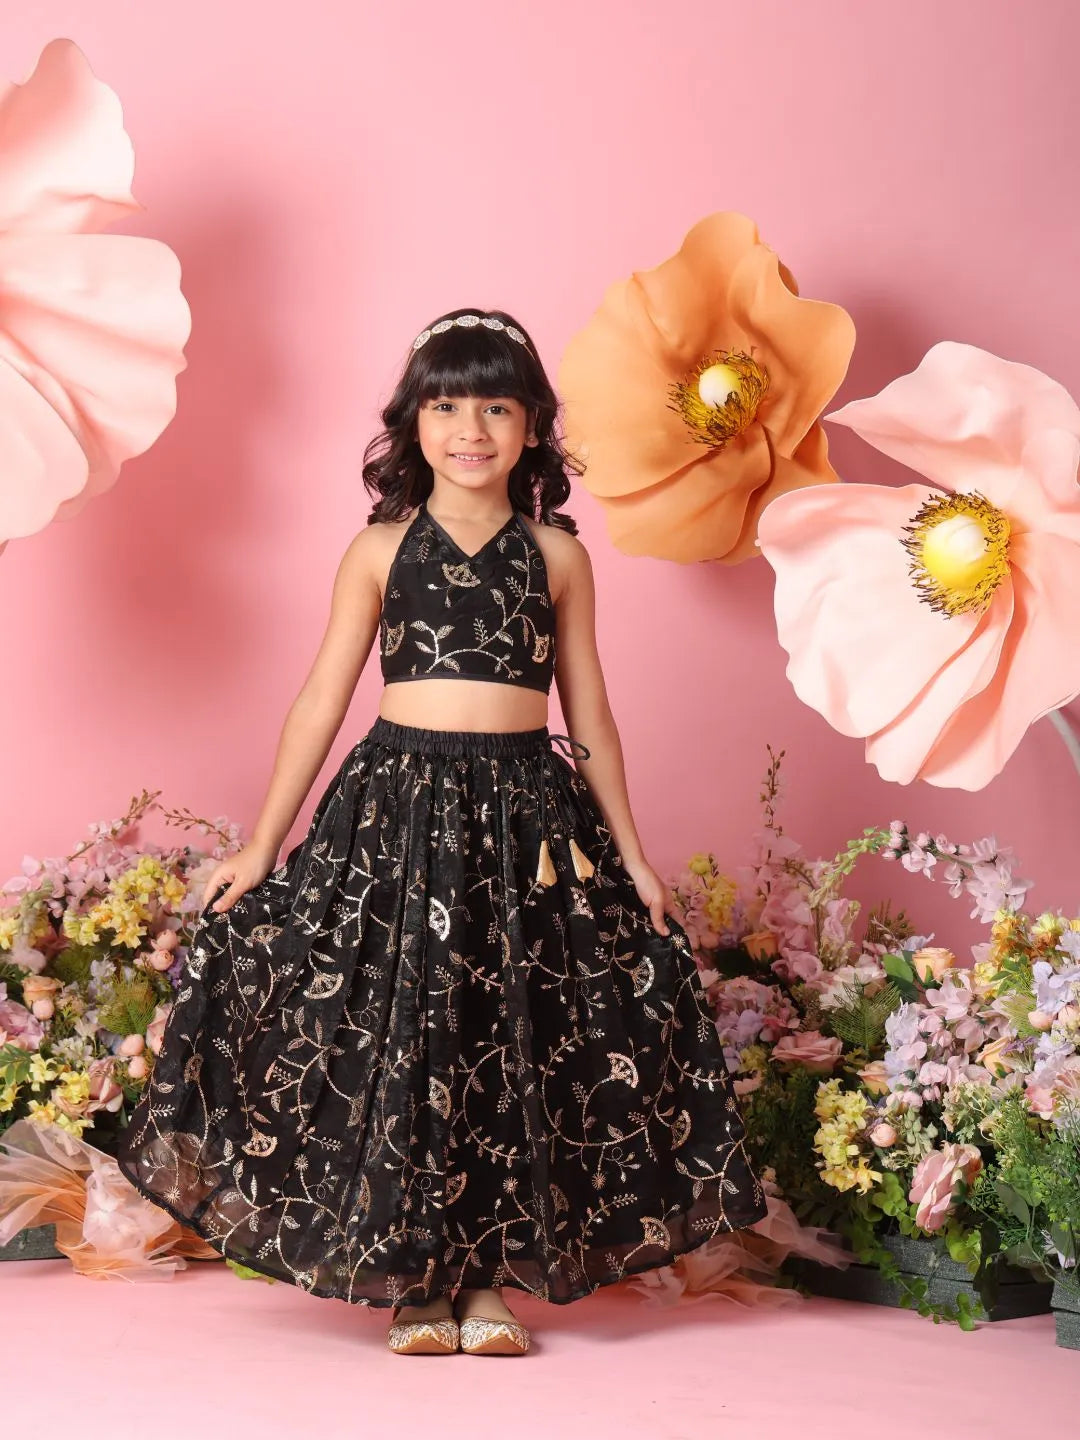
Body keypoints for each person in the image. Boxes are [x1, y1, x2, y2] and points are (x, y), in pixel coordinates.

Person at [116, 307, 767, 1357]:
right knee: (405, 1041)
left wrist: (635, 857)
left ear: (532, 427)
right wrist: (259, 844)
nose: (472, 427)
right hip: (395, 814)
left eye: (497, 406)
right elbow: (321, 702)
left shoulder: (557, 555)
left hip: (523, 820)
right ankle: (416, 1284)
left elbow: (589, 714)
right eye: (447, 403)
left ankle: (486, 1282)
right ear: (412, 424)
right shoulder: (378, 551)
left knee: (507, 1040)